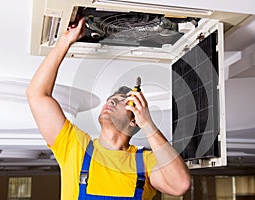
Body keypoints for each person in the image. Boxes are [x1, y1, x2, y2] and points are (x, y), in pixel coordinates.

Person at [26, 18, 191, 200]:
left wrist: (148, 124)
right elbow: (37, 94)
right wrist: (64, 41)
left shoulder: (144, 161)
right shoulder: (75, 147)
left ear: (134, 119)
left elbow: (180, 184)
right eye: (111, 99)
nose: (110, 102)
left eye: (121, 101)